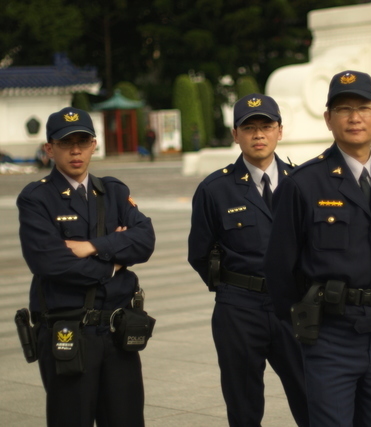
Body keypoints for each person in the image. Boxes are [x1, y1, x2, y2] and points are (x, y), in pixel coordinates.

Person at [264, 70, 371, 427]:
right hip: (329, 336)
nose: (355, 117)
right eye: (343, 108)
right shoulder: (303, 184)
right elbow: (279, 269)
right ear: (328, 118)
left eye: (364, 107)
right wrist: (309, 322)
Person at [17, 107, 156, 426]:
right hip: (68, 334)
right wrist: (114, 265)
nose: (76, 150)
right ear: (49, 149)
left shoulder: (114, 192)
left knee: (126, 419)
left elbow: (145, 240)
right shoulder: (37, 198)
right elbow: (49, 261)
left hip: (117, 332)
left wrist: (92, 246)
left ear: (94, 144)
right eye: (66, 143)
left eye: (83, 141)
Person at [187, 94, 309, 427]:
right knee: (243, 407)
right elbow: (199, 253)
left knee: (312, 397)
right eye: (249, 127)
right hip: (239, 310)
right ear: (235, 134)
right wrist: (235, 289)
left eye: (266, 126)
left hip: (294, 308)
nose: (258, 135)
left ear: (279, 131)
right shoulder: (215, 189)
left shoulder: (303, 183)